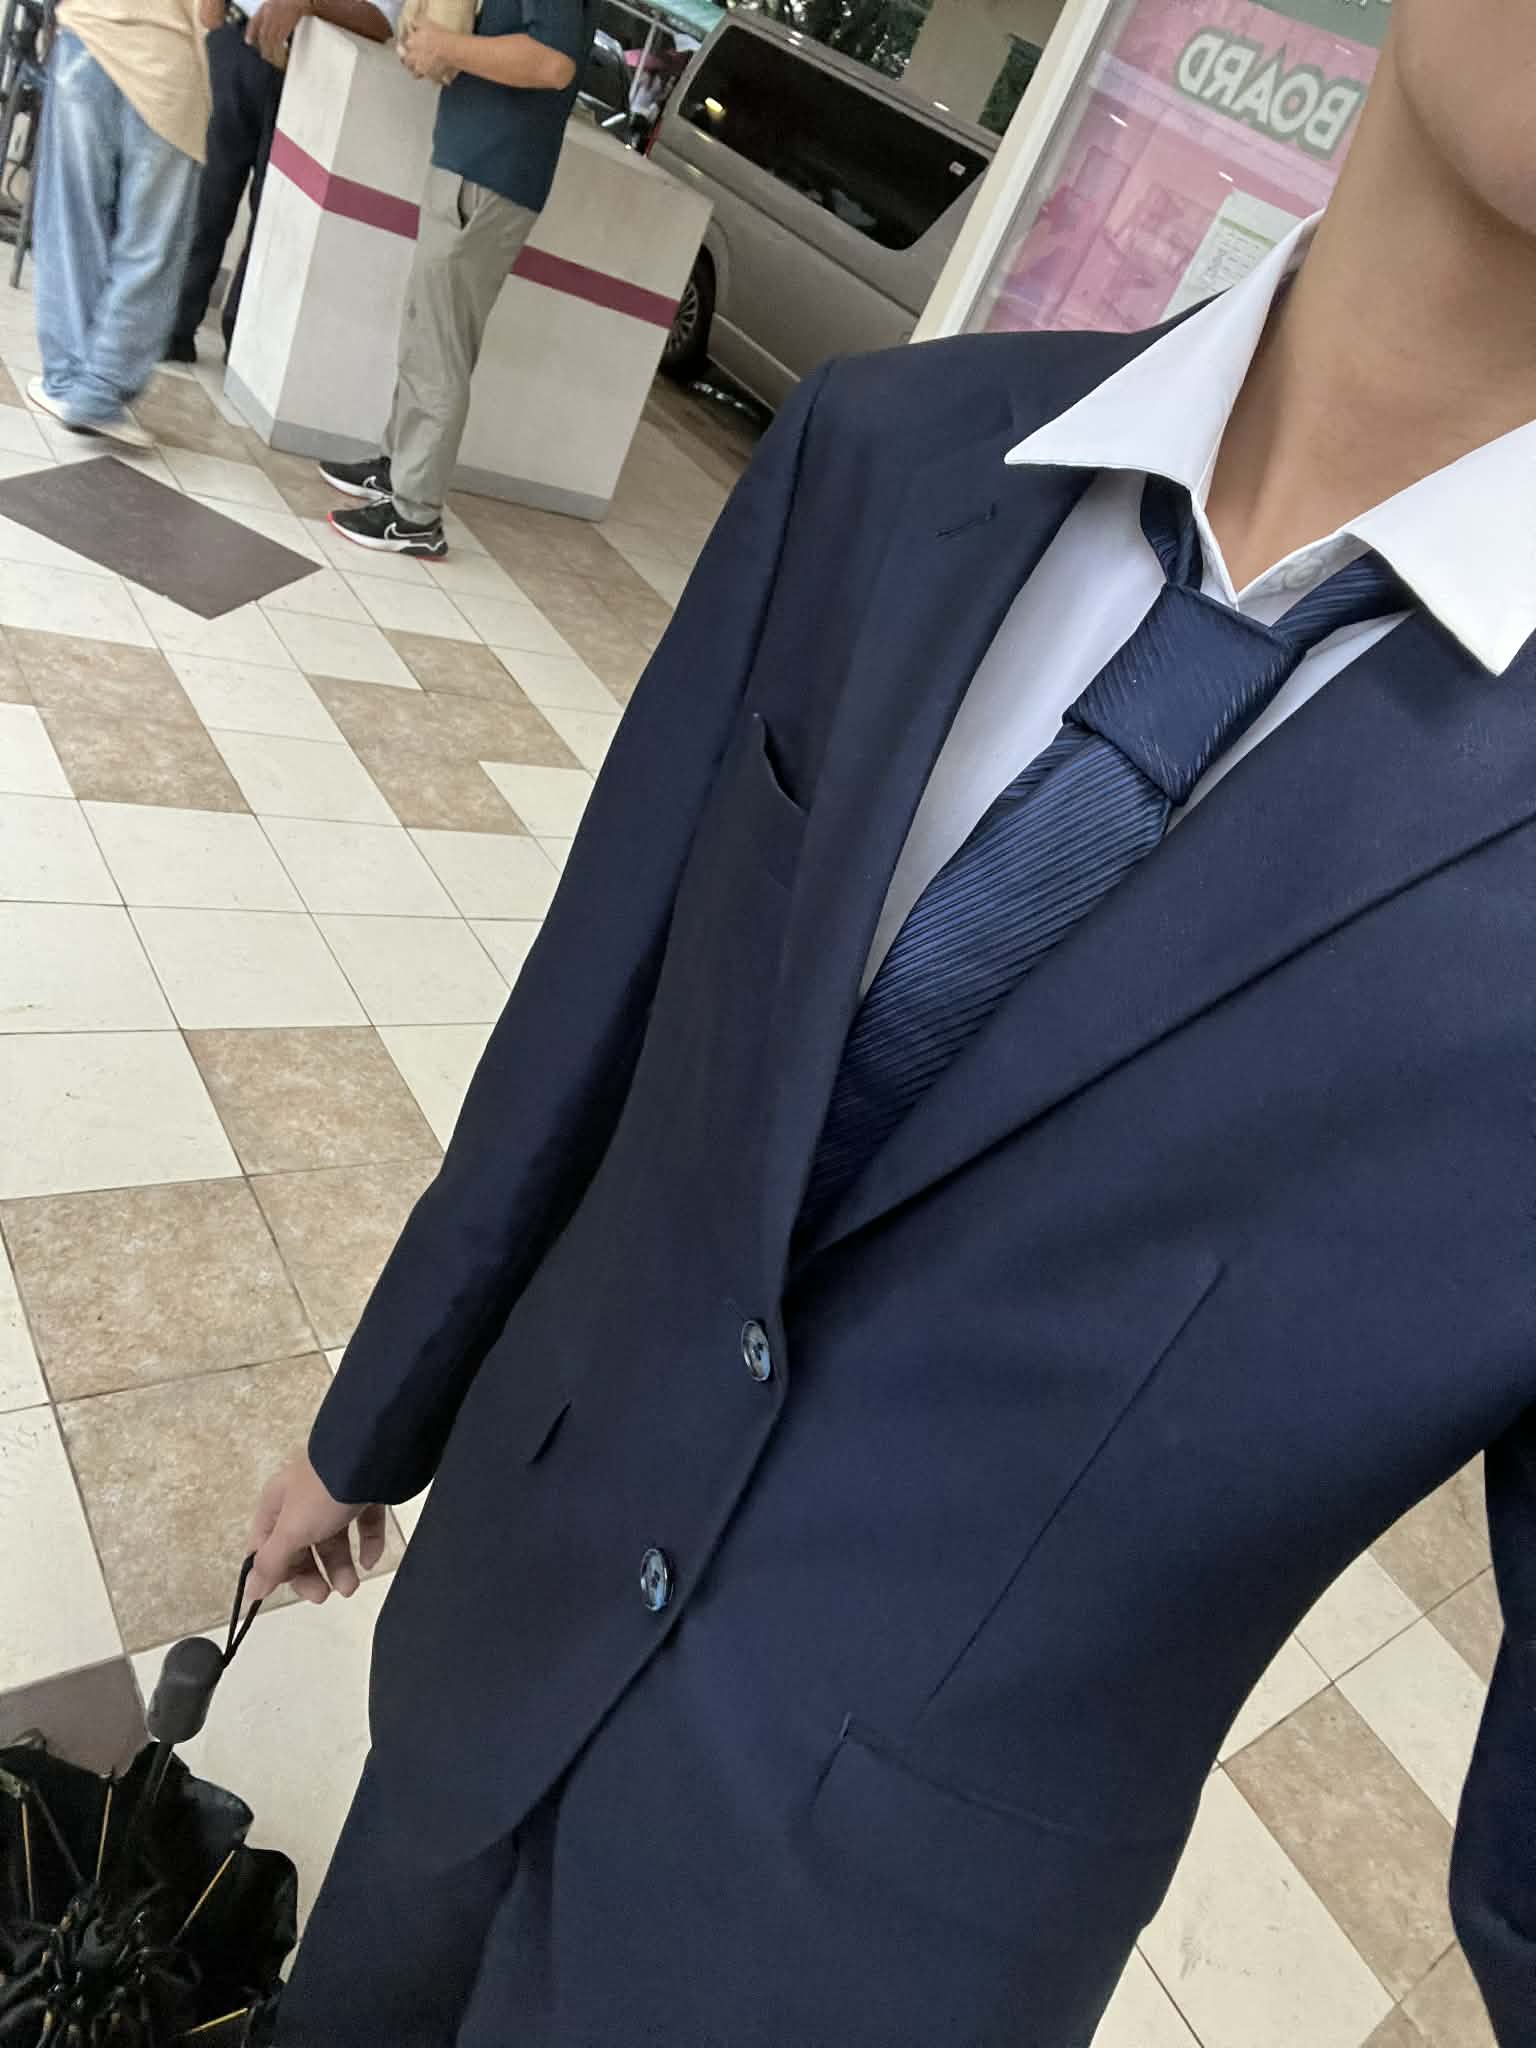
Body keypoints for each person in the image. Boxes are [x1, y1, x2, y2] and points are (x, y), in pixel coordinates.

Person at [249, 0, 1536, 2039]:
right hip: (497, 1645)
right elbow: (602, 1006)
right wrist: (373, 1413)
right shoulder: (888, 451)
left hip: (869, 1947)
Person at [316, 0, 597, 560]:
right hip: (473, 161)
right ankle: (397, 467)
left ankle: (414, 514)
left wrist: (444, 46)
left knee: (440, 345)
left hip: (490, 172)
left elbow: (553, 62)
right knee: (427, 329)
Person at [163, 0, 399, 368]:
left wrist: (304, 4)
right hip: (235, 39)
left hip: (310, 67)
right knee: (205, 194)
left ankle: (243, 343)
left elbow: (382, 20)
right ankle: (172, 325)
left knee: (276, 213)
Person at [28, 0, 216, 446]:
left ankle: (66, 380)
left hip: (88, 38)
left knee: (71, 225)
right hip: (166, 69)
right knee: (151, 246)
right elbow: (210, 13)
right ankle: (99, 392)